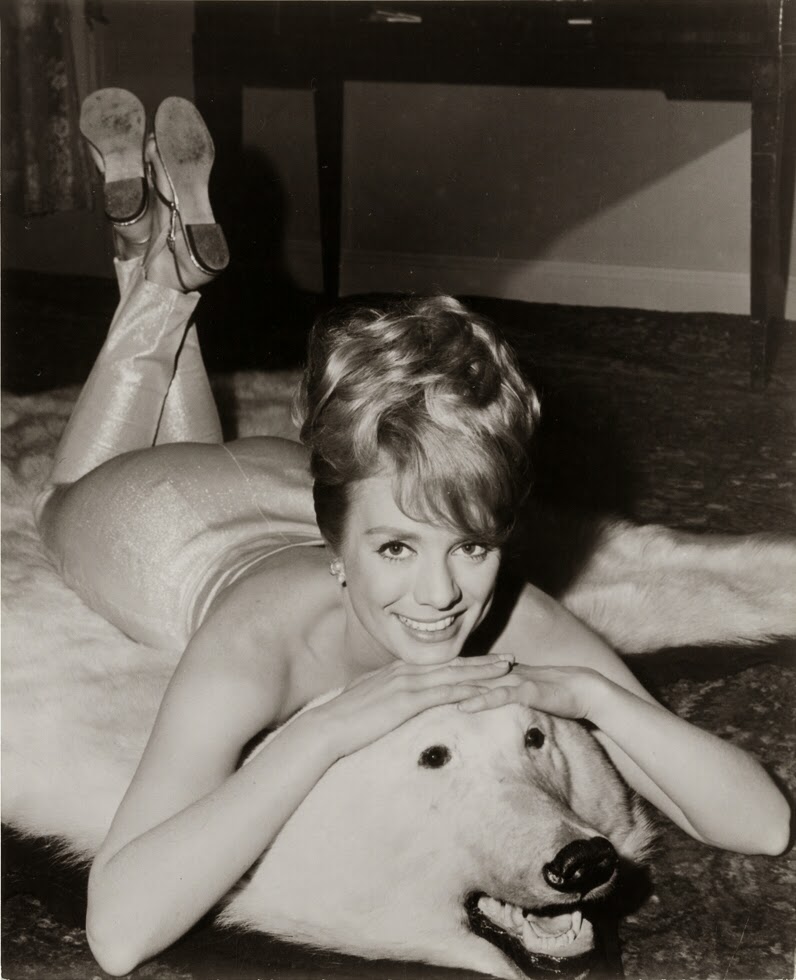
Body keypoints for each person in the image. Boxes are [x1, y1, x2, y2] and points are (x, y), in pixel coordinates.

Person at [37, 90, 789, 977]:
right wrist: (322, 732)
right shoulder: (254, 647)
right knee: (62, 500)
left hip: (283, 484)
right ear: (337, 545)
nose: (441, 598)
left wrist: (597, 697)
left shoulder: (509, 612)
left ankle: (153, 252)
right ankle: (162, 284)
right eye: (398, 550)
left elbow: (763, 825)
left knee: (269, 460)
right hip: (153, 523)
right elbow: (119, 932)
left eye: (470, 546)